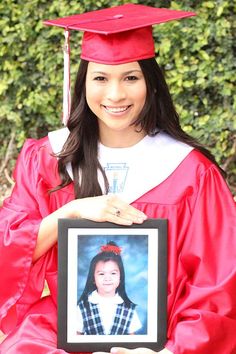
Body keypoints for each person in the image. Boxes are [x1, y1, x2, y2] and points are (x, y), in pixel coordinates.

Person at [0, 3, 235, 354]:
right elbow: (8, 252)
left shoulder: (191, 173)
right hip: (64, 330)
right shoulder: (47, 162)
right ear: (83, 83)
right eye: (100, 78)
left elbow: (217, 286)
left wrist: (168, 352)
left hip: (168, 337)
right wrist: (71, 213)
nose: (115, 95)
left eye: (130, 77)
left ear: (150, 84)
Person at [76, 241, 142, 335]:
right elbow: (76, 339)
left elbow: (133, 340)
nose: (107, 278)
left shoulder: (129, 308)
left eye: (113, 273)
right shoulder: (82, 307)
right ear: (93, 278)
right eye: (101, 274)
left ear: (120, 277)